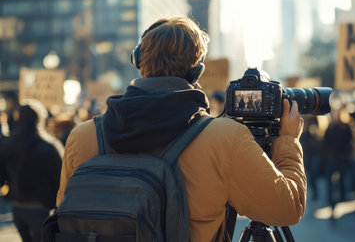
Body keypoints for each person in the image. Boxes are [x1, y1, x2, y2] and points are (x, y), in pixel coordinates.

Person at [57, 17, 306, 241]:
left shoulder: (83, 136)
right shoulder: (224, 138)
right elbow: (287, 208)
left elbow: (66, 216)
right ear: (197, 70)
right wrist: (288, 140)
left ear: (139, 61)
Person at [0, 105, 62, 242]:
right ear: (39, 120)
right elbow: (60, 179)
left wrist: (10, 191)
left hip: (17, 205)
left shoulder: (6, 145)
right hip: (41, 207)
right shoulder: (49, 148)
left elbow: (2, 176)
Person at [323, 108, 353, 223]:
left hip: (342, 160)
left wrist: (344, 153)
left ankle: (340, 200)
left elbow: (350, 142)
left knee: (342, 183)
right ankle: (331, 205)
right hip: (331, 160)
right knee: (330, 184)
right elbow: (324, 144)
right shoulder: (329, 128)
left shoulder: (346, 127)